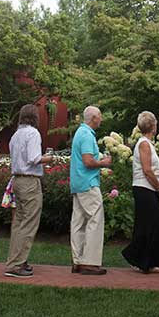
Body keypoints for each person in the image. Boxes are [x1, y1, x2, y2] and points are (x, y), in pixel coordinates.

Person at [4, 105, 52, 278]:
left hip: (17, 179)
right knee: (29, 222)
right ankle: (16, 265)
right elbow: (34, 158)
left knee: (19, 222)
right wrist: (48, 158)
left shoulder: (16, 135)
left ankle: (15, 260)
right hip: (30, 180)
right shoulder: (33, 133)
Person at [122, 111, 159, 274]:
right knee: (150, 225)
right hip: (144, 188)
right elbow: (147, 170)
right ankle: (141, 259)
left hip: (147, 188)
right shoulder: (144, 144)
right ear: (153, 126)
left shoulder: (147, 143)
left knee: (151, 225)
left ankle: (148, 261)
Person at [69, 106, 113, 276]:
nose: (101, 119)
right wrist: (104, 162)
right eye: (99, 116)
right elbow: (88, 161)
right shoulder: (87, 135)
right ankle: (90, 262)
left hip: (78, 183)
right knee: (95, 218)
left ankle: (78, 260)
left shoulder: (80, 133)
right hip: (88, 183)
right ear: (93, 118)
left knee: (78, 221)